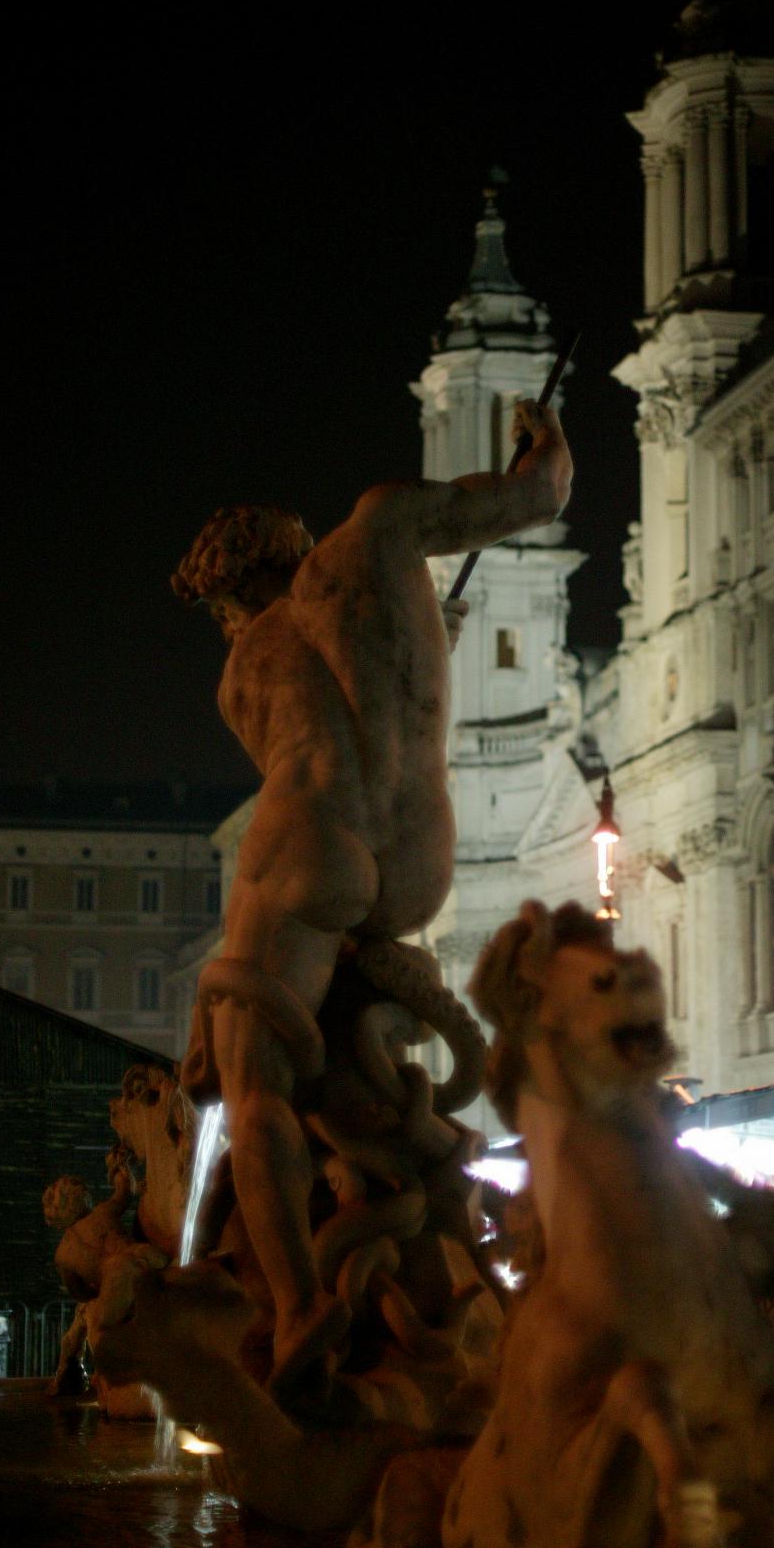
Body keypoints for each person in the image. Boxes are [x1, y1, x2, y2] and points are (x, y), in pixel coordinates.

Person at [171, 398, 572, 1406]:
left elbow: (297, 754)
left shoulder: (239, 669)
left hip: (310, 841)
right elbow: (539, 494)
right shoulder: (382, 527)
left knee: (250, 1073)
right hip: (418, 857)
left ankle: (304, 1301)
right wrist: (544, 448)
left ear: (226, 592)